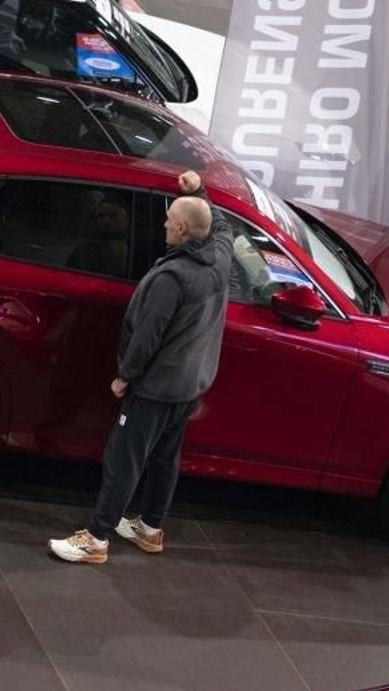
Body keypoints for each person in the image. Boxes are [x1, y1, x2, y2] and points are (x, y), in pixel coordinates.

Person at [49, 169, 233, 564]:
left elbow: (147, 337)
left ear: (182, 229)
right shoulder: (219, 256)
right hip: (191, 384)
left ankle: (96, 538)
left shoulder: (172, 278)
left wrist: (124, 377)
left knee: (123, 459)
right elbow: (221, 224)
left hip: (155, 387)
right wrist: (199, 191)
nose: (163, 226)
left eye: (169, 222)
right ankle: (150, 529)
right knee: (166, 457)